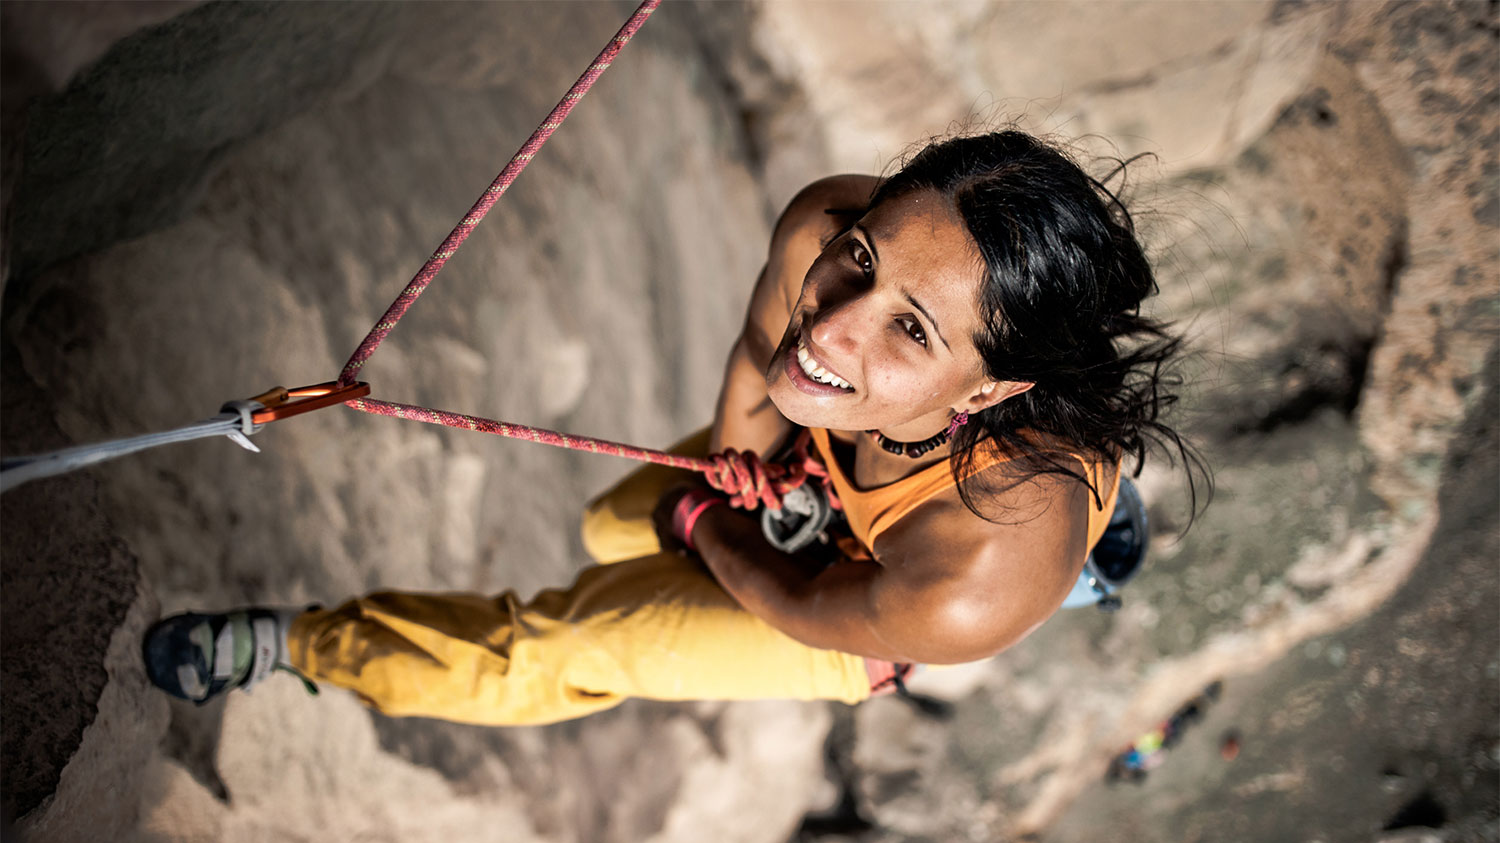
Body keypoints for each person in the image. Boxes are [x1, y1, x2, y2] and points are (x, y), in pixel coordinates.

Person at [144, 130, 1202, 725]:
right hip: (802, 475)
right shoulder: (825, 226)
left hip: (848, 598)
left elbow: (798, 598)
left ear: (982, 393)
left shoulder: (983, 570)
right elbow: (764, 362)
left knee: (569, 638)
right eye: (865, 261)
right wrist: (743, 464)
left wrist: (708, 521)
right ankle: (672, 545)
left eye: (910, 329)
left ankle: (296, 646)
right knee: (613, 532)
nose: (830, 324)